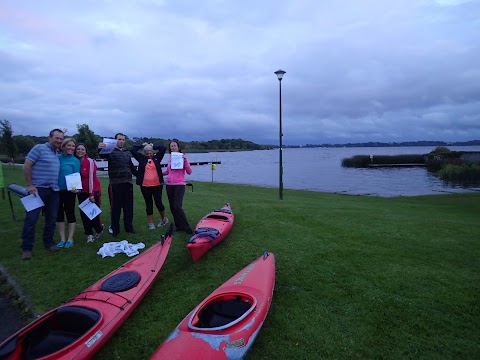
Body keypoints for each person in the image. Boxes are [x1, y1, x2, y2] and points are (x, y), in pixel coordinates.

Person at [20, 129, 64, 260]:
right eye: (57, 138)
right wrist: (30, 186)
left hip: (53, 190)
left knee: (51, 218)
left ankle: (49, 243)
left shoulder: (56, 152)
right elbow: (26, 166)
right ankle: (27, 248)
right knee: (31, 219)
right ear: (49, 138)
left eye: (61, 139)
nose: (59, 141)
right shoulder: (39, 148)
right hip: (37, 190)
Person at [98, 133, 137, 237]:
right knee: (116, 209)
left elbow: (132, 168)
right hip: (115, 184)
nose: (121, 141)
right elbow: (102, 155)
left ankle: (129, 228)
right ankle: (115, 229)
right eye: (119, 139)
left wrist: (143, 174)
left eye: (123, 139)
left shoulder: (126, 154)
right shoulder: (110, 151)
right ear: (115, 141)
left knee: (128, 208)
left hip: (128, 184)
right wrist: (100, 148)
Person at [131, 142, 169, 230]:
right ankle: (151, 223)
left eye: (150, 153)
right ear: (144, 153)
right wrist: (141, 145)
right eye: (147, 153)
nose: (149, 155)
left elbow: (163, 148)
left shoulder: (157, 158)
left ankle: (163, 219)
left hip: (157, 185)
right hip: (145, 186)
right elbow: (133, 150)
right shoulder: (141, 159)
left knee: (159, 203)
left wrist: (153, 146)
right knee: (149, 204)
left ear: (153, 152)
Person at [75, 143, 104, 243]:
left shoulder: (90, 161)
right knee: (84, 214)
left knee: (92, 214)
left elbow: (91, 178)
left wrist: (91, 194)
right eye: (78, 149)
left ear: (86, 151)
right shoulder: (75, 162)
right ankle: (89, 234)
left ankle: (99, 229)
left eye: (82, 149)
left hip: (93, 190)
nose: (80, 151)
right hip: (81, 191)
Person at [163, 140, 193, 234]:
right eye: (171, 146)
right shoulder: (170, 158)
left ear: (178, 147)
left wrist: (185, 161)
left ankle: (187, 226)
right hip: (169, 185)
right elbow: (168, 171)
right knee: (172, 207)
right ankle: (178, 225)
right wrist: (159, 173)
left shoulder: (183, 157)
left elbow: (189, 171)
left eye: (174, 146)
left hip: (179, 184)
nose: (173, 147)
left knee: (177, 206)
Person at [56, 138, 80, 248]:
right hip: (56, 190)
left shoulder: (75, 161)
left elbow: (76, 176)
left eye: (73, 146)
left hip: (69, 191)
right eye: (69, 145)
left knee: (70, 213)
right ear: (64, 146)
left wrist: (76, 188)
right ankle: (62, 238)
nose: (71, 148)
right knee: (59, 214)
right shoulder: (57, 158)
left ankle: (70, 238)